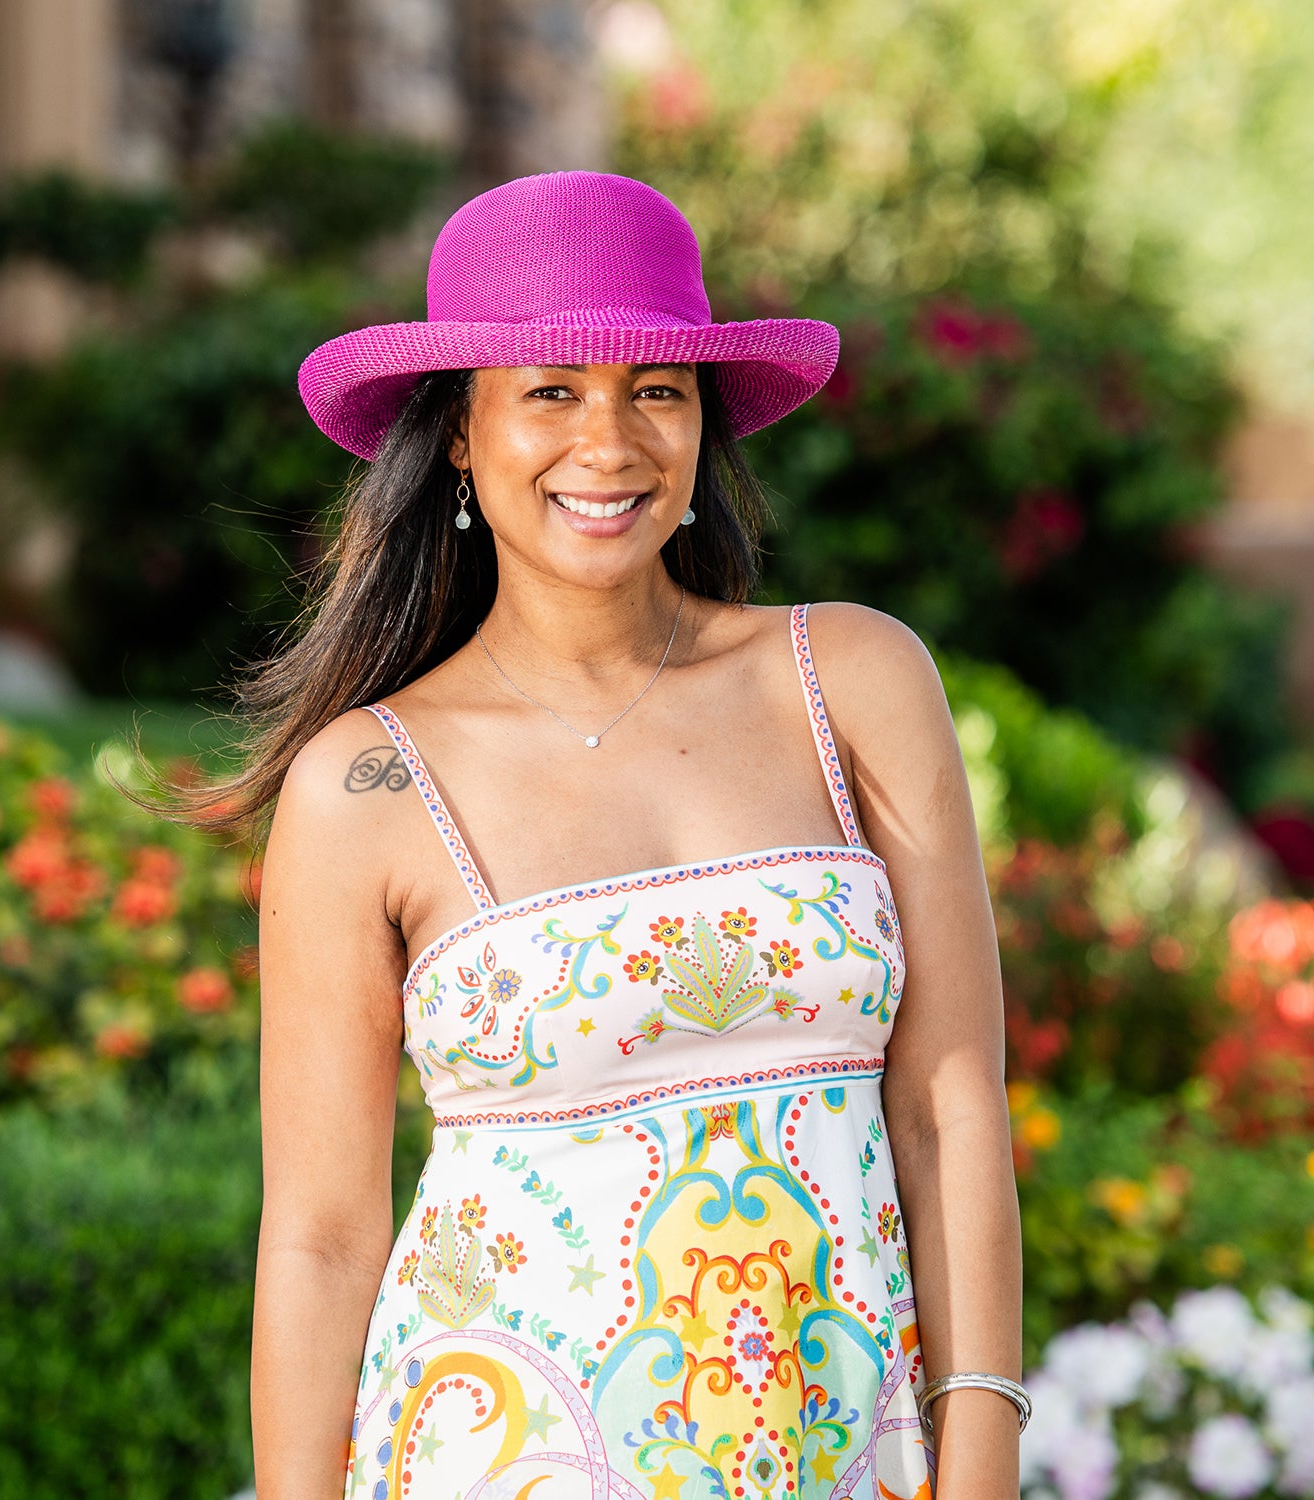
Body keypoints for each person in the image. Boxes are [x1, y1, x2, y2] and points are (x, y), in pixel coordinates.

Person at [239, 171, 1024, 1500]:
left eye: (655, 389)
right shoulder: (366, 785)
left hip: (846, 1453)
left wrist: (984, 1446)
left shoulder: (853, 682)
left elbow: (950, 1108)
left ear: (702, 424)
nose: (608, 442)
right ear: (464, 440)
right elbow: (320, 1237)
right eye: (550, 390)